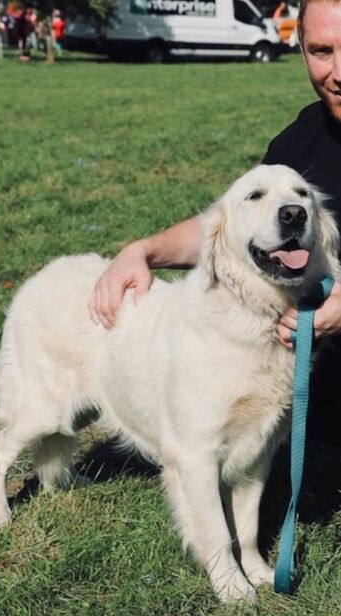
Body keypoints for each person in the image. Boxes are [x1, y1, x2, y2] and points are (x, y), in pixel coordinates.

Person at [89, 0, 341, 442]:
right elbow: (230, 227)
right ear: (301, 50)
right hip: (308, 388)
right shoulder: (301, 138)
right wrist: (144, 251)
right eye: (322, 51)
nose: (339, 71)